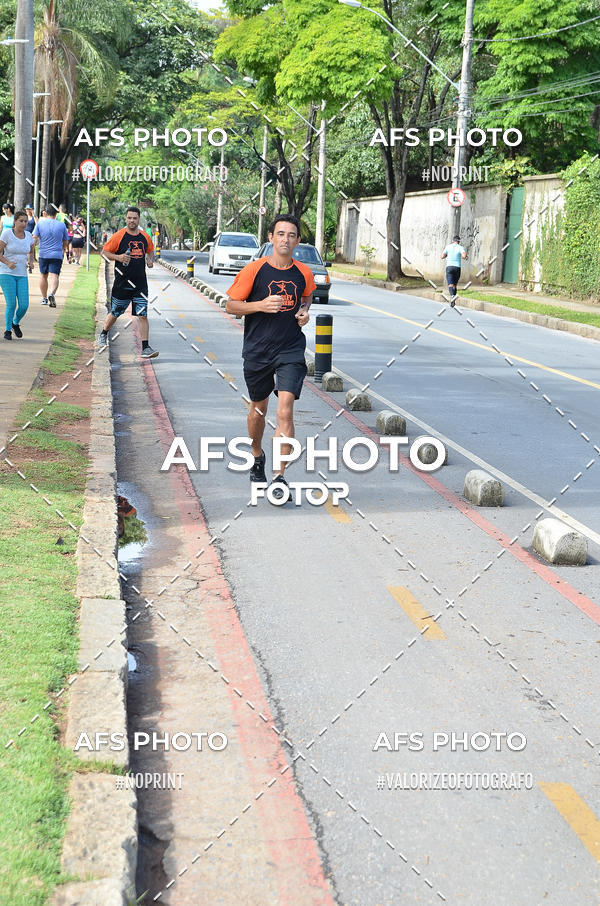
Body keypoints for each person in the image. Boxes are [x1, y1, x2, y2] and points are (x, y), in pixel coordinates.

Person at [225, 214, 316, 499]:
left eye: (291, 235)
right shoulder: (255, 270)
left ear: (297, 240)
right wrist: (261, 305)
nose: (285, 239)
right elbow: (231, 305)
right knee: (259, 410)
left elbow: (307, 296)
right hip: (257, 350)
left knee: (285, 409)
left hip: (290, 349)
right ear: (271, 238)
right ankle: (256, 454)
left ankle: (279, 476)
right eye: (280, 234)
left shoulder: (304, 272)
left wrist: (304, 311)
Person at [97, 205, 158, 359]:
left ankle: (145, 347)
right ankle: (103, 333)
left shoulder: (145, 237)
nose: (132, 220)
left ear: (138, 219)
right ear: (126, 218)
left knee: (142, 315)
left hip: (140, 284)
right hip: (122, 283)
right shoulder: (119, 236)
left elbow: (151, 252)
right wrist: (119, 257)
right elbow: (104, 252)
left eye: (135, 218)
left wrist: (150, 260)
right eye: (129, 218)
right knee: (116, 312)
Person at [0, 209, 36, 340]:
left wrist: (30, 262)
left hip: (22, 274)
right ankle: (7, 330)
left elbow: (31, 251)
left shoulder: (28, 236)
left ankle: (15, 323)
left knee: (24, 305)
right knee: (11, 303)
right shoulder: (7, 234)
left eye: (26, 221)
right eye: (21, 221)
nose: (24, 223)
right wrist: (7, 262)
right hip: (6, 272)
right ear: (15, 221)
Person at [32, 207, 69, 307]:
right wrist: (63, 249)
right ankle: (51, 293)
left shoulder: (40, 223)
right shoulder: (62, 225)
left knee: (43, 276)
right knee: (54, 275)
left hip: (43, 254)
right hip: (57, 254)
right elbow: (65, 241)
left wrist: (31, 249)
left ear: (45, 213)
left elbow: (34, 238)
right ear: (56, 214)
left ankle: (44, 298)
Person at [441, 234, 467, 307]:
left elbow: (442, 256)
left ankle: (452, 296)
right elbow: (464, 256)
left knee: (450, 284)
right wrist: (464, 255)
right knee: (455, 285)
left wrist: (447, 255)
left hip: (449, 267)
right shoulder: (461, 247)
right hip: (457, 267)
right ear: (459, 241)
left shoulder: (448, 247)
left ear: (453, 241)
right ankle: (453, 299)